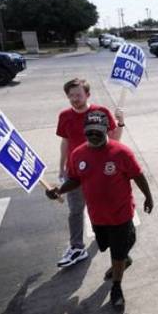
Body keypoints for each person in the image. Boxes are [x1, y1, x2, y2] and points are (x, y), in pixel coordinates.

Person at [46, 111, 153, 309]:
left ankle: (116, 286)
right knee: (109, 246)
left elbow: (138, 175)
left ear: (106, 130)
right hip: (97, 216)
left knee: (119, 248)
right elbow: (75, 179)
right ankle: (122, 258)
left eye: (98, 132)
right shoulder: (77, 155)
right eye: (89, 132)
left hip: (121, 214)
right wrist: (59, 189)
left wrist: (148, 196)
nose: (93, 136)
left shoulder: (121, 152)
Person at [55, 78, 125, 268]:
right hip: (75, 174)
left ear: (87, 95)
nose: (74, 99)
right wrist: (61, 167)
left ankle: (117, 247)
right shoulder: (64, 116)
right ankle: (77, 247)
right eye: (70, 95)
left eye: (78, 95)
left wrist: (120, 123)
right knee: (75, 211)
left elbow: (114, 140)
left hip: (100, 173)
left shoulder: (100, 113)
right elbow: (65, 142)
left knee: (106, 210)